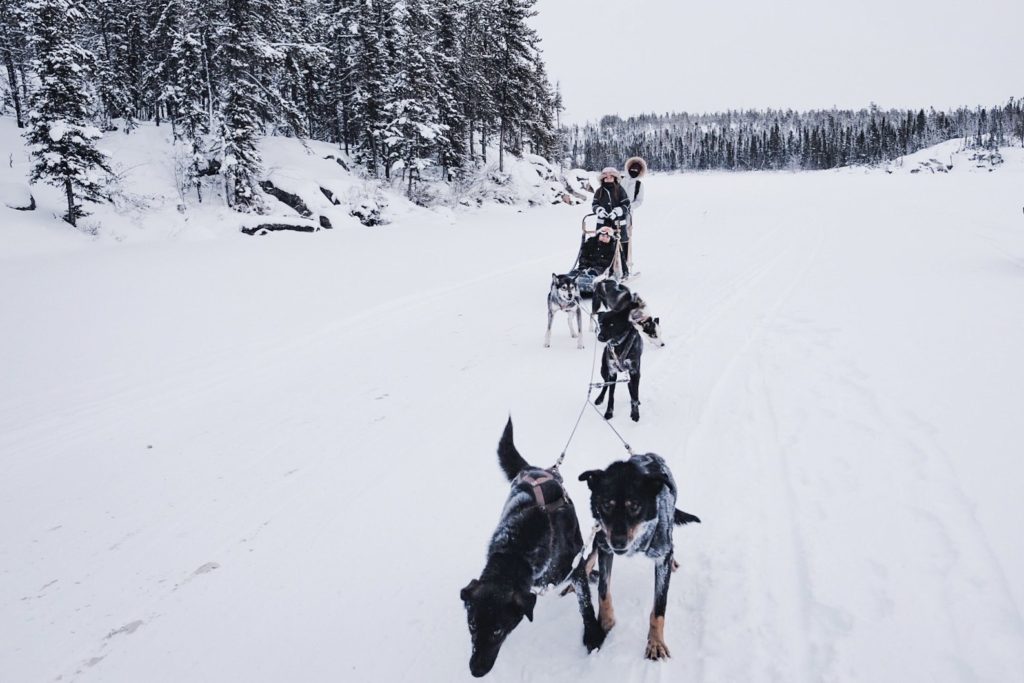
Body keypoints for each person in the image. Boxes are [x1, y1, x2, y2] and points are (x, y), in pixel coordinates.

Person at [591, 166, 631, 277]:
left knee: (619, 245)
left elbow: (626, 205)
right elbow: (594, 205)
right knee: (601, 245)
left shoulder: (620, 189)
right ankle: (602, 269)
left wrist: (618, 211)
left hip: (617, 223)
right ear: (602, 179)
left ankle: (624, 270)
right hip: (603, 223)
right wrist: (599, 210)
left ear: (615, 178)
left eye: (611, 177)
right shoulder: (599, 191)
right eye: (606, 177)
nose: (608, 179)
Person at [570, 225, 617, 294]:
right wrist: (583, 264)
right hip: (586, 266)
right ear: (598, 235)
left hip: (600, 269)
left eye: (607, 237)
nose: (604, 238)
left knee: (590, 274)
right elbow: (583, 255)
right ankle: (569, 282)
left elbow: (609, 262)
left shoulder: (612, 247)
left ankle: (585, 285)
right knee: (574, 274)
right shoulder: (591, 242)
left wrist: (596, 263)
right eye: (603, 236)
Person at [620, 157, 647, 272]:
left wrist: (630, 207)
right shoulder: (620, 179)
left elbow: (639, 201)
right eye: (632, 169)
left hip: (628, 215)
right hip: (614, 212)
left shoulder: (639, 185)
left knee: (625, 237)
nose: (634, 172)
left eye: (637, 171)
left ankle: (624, 263)